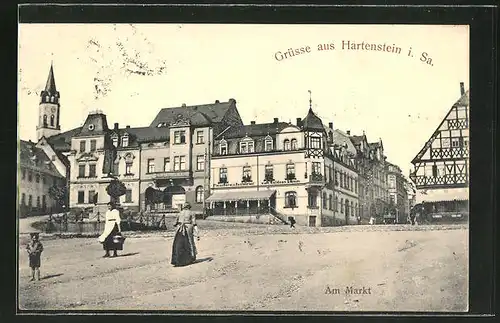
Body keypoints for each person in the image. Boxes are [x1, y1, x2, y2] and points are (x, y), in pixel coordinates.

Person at [171, 202, 197, 267]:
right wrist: (197, 232)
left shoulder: (180, 213)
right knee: (190, 242)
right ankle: (192, 257)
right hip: (188, 227)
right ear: (189, 207)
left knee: (179, 243)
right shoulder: (192, 213)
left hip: (179, 228)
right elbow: (194, 223)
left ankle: (178, 258)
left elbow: (174, 223)